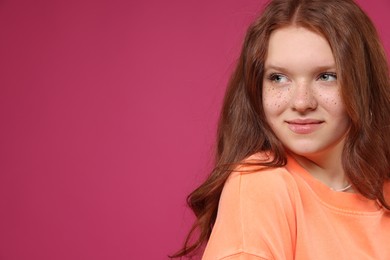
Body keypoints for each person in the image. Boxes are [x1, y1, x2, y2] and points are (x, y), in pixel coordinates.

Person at [172, 0, 390, 259]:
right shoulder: (261, 184)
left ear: (364, 84)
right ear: (257, 88)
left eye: (326, 76)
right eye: (278, 78)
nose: (301, 102)